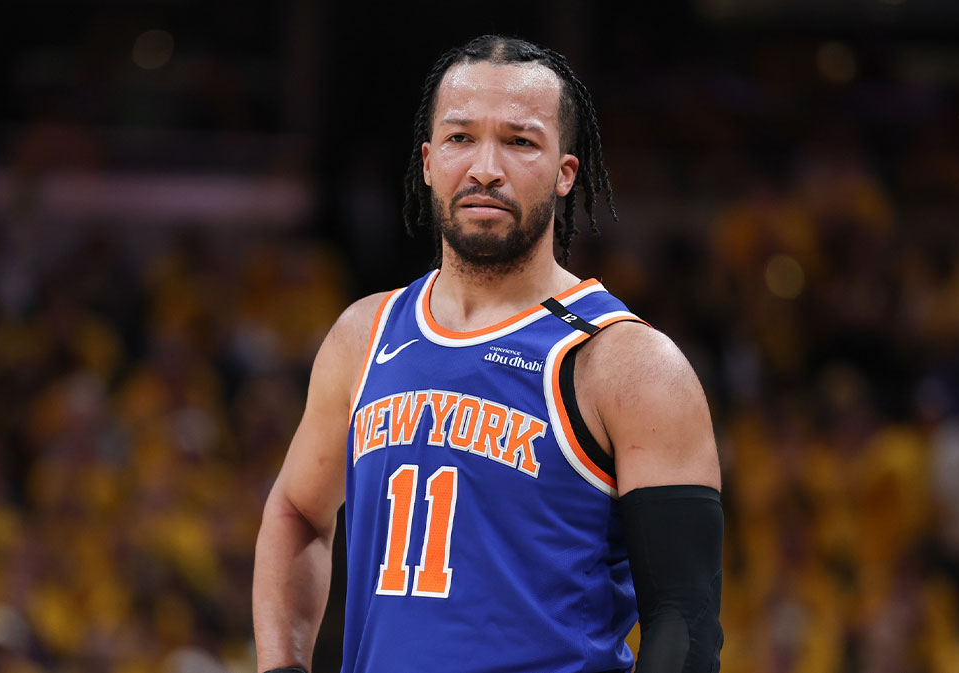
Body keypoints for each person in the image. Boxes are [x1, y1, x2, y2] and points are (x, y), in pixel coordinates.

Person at [253, 35, 724, 673]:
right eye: (460, 138)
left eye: (520, 141)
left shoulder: (626, 363)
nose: (484, 167)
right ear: (427, 161)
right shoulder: (364, 334)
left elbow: (684, 624)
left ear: (566, 172)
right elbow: (296, 512)